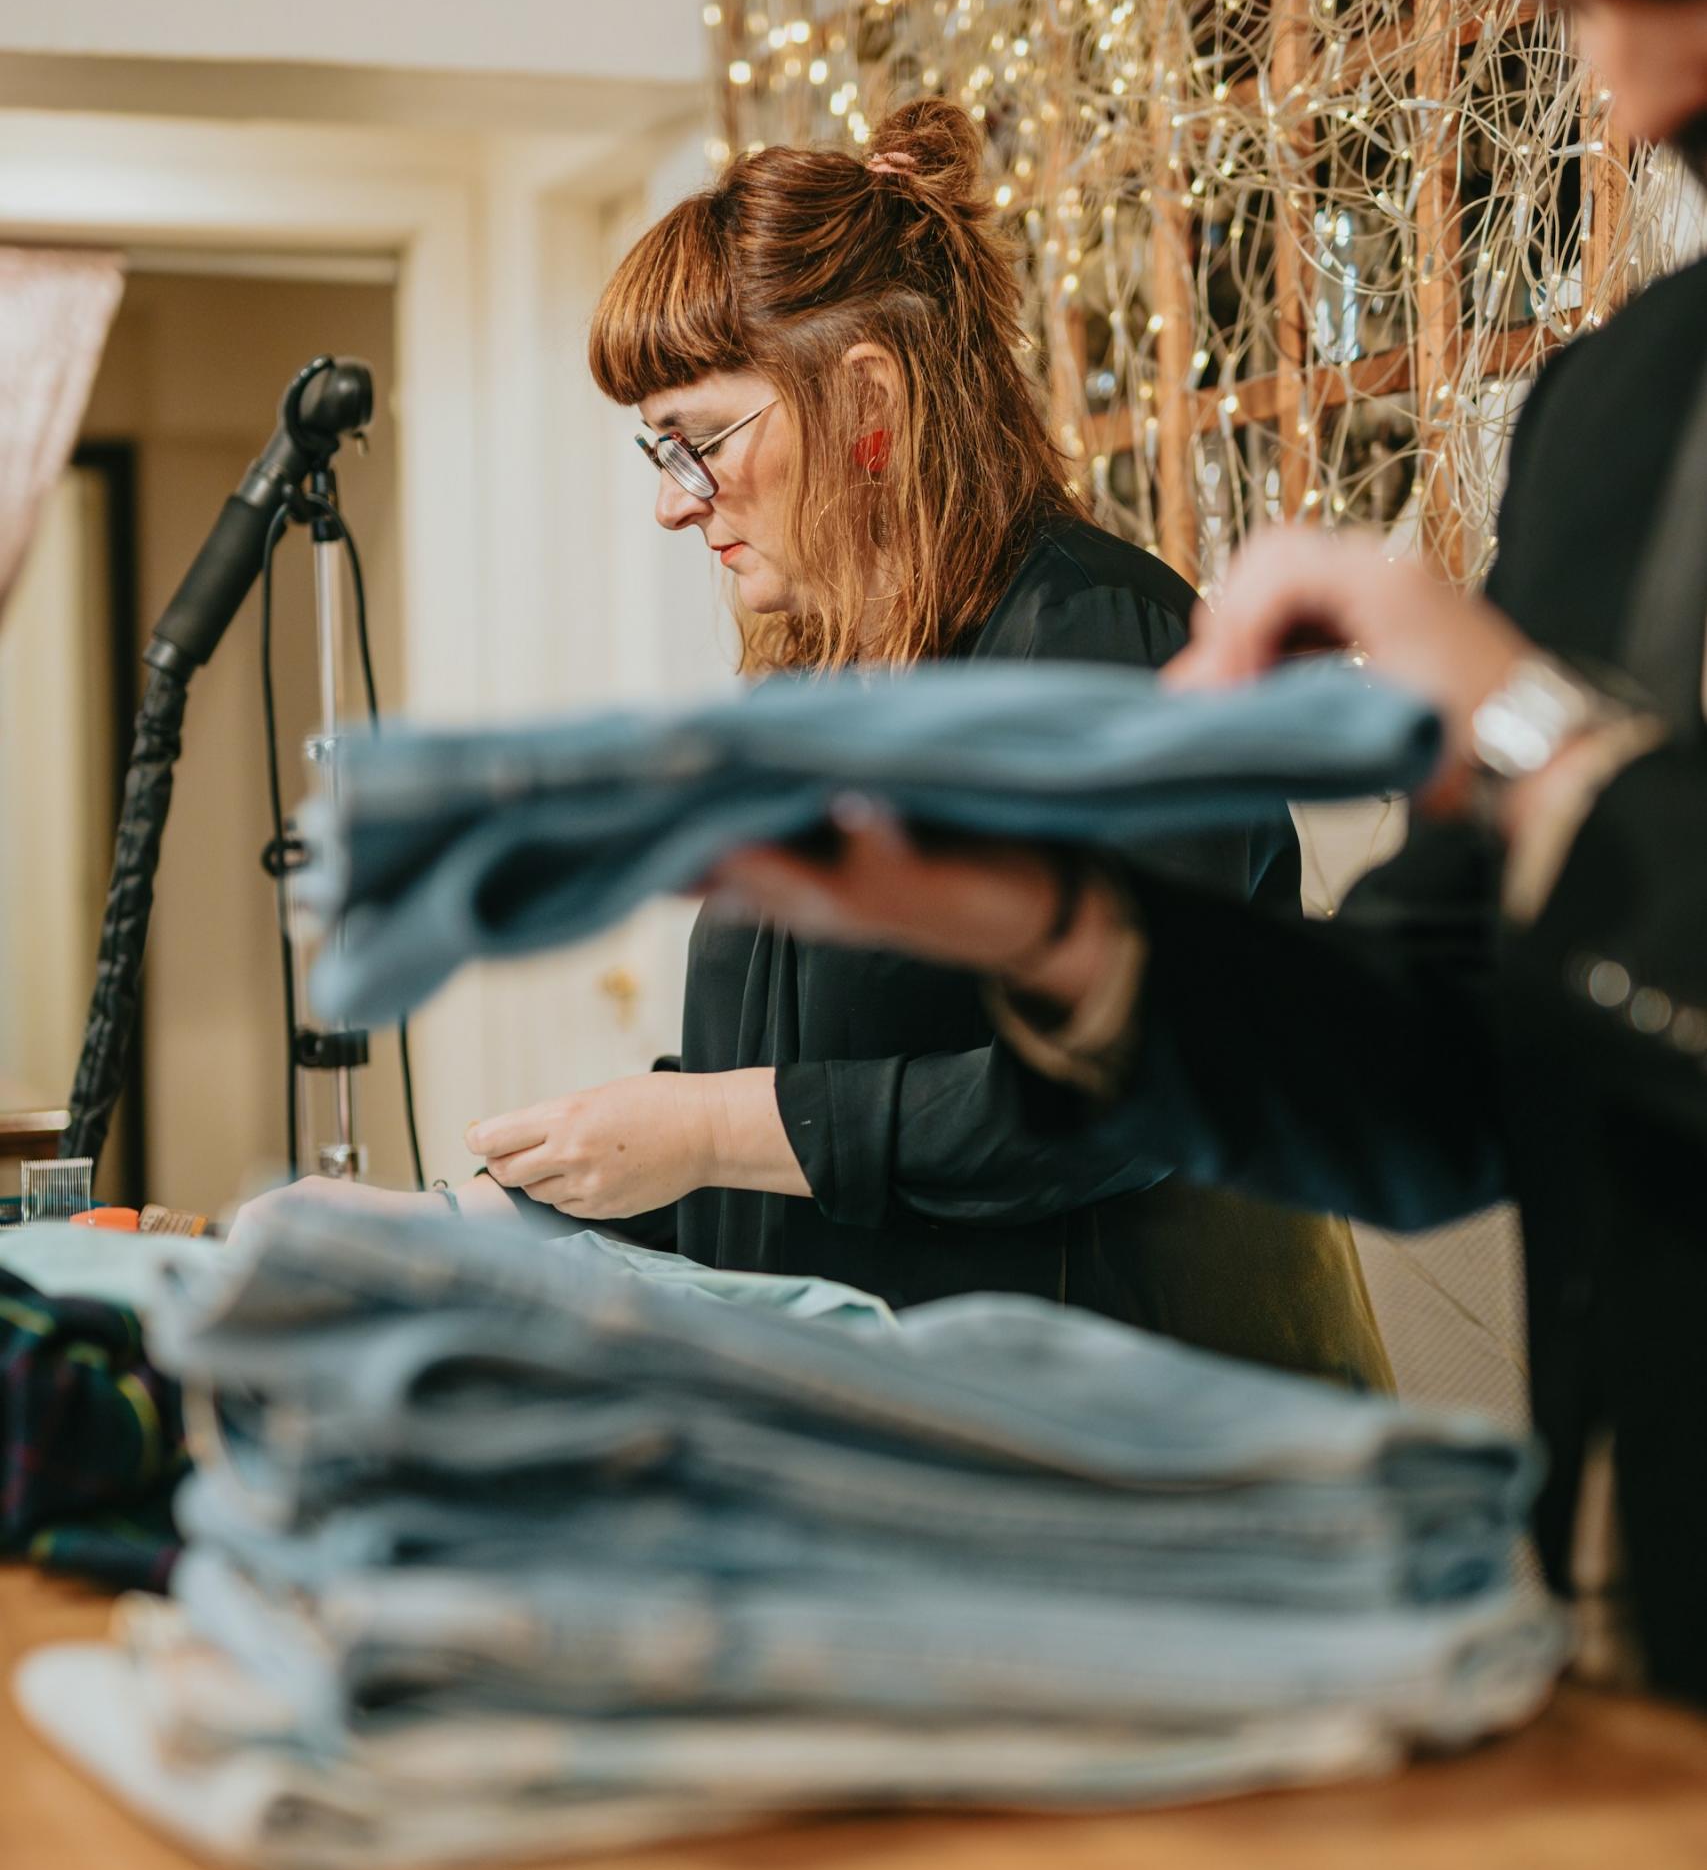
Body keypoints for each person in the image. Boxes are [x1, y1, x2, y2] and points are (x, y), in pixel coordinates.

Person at [709, 0, 1707, 1701]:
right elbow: (1431, 1088)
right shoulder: (1616, 418)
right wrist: (1059, 932)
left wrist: (1529, 735)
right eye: (1560, 4)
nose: (1624, 87)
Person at [256, 97, 1388, 1381]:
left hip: (1136, 1465)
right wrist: (470, 1219)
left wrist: (708, 1124)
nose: (674, 508)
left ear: (867, 402)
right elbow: (780, 1098)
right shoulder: (825, 679)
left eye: (700, 443)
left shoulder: (1110, 642)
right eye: (655, 449)